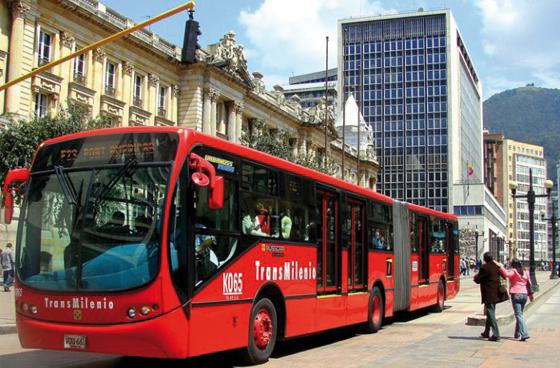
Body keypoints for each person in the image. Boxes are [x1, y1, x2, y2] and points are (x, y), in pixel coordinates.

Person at [495, 259, 533, 341]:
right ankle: (517, 333)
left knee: (519, 315)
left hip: (516, 294)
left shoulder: (514, 271)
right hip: (524, 294)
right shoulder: (525, 271)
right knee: (520, 314)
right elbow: (529, 283)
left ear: (513, 265)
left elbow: (506, 274)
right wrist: (531, 295)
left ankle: (525, 334)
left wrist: (501, 266)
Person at [473, 252, 501, 341]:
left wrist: (475, 277)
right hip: (496, 292)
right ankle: (486, 332)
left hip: (489, 293)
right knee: (490, 312)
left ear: (485, 259)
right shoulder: (496, 267)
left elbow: (478, 280)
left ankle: (496, 334)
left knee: (491, 312)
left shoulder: (485, 267)